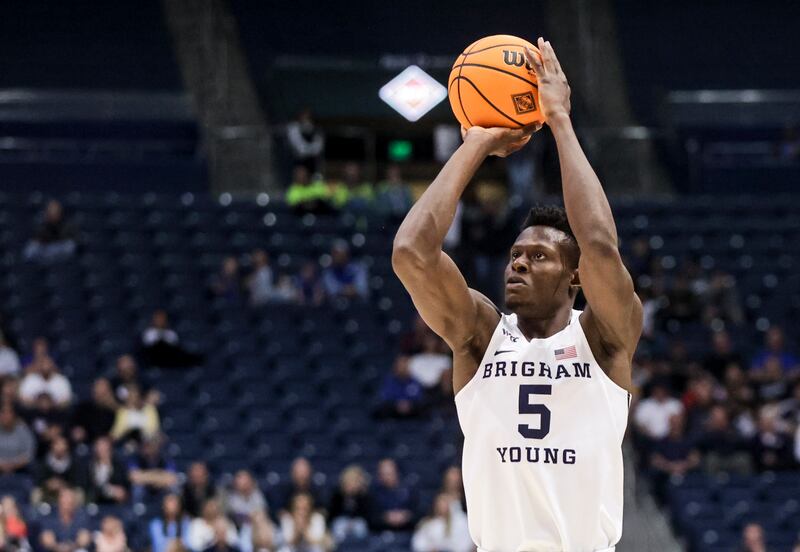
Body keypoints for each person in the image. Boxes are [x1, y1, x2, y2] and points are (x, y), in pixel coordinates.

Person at [392, 38, 642, 551]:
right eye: (515, 254)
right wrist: (477, 144)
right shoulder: (481, 336)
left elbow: (597, 243)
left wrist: (560, 122)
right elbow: (411, 253)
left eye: (540, 256)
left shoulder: (603, 339)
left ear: (575, 277)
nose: (520, 261)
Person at [39, 488, 91, 552]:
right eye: (65, 499)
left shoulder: (82, 517)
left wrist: (71, 547)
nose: (67, 502)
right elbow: (47, 540)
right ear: (59, 500)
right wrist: (59, 548)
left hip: (75, 549)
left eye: (70, 500)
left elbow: (84, 539)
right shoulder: (50, 517)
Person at [369, 458, 415, 531]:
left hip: (407, 529)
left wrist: (406, 516)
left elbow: (418, 513)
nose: (386, 477)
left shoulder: (410, 490)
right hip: (381, 531)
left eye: (389, 473)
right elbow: (371, 517)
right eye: (383, 474)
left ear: (396, 472)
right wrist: (385, 517)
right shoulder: (373, 492)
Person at [328, 465, 370, 543]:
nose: (352, 484)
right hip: (341, 521)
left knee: (361, 526)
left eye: (354, 481)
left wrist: (357, 495)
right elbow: (332, 514)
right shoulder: (337, 495)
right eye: (350, 481)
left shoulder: (363, 496)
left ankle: (362, 546)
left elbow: (366, 515)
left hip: (356, 521)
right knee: (338, 525)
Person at [81, 436, 129, 505]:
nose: (102, 449)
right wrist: (110, 490)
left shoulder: (118, 466)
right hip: (95, 501)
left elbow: (122, 486)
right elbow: (89, 487)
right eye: (100, 446)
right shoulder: (89, 466)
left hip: (114, 503)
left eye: (104, 446)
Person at [70, 378, 118, 444]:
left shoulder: (113, 411)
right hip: (83, 442)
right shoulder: (84, 407)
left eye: (103, 391)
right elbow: (73, 424)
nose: (99, 393)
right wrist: (76, 430)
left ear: (109, 392)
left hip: (104, 443)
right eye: (97, 389)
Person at [35, 436, 78, 505]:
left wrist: (63, 485)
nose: (60, 447)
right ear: (52, 446)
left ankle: (77, 514)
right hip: (47, 490)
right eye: (57, 444)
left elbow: (76, 480)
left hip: (66, 490)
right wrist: (49, 484)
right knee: (36, 493)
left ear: (67, 447)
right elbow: (39, 480)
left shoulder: (73, 462)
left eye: (63, 444)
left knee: (78, 493)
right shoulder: (44, 461)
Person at [286, 108, 324, 174]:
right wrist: (310, 150)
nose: (306, 119)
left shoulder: (316, 129)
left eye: (308, 117)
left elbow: (318, 149)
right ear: (299, 117)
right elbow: (301, 150)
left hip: (313, 163)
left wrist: (309, 150)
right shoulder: (293, 128)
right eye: (304, 116)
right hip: (297, 162)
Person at [0, 407, 35, 475]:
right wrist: (2, 464)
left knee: (33, 465)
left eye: (8, 414)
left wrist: (13, 465)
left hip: (20, 469)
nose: (5, 417)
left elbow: (29, 453)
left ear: (14, 417)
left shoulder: (24, 431)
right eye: (2, 414)